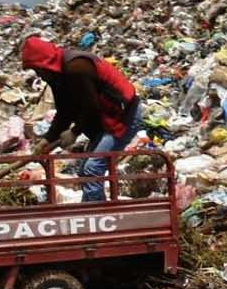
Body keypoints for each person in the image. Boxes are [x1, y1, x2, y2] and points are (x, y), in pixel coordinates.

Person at [19, 35, 140, 202]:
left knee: (92, 169)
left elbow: (91, 106)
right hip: (105, 119)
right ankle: (97, 208)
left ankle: (96, 216)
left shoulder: (76, 68)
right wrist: (47, 139)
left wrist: (74, 132)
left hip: (123, 116)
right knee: (85, 169)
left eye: (38, 69)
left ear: (45, 63)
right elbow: (64, 111)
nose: (39, 74)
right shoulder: (56, 76)